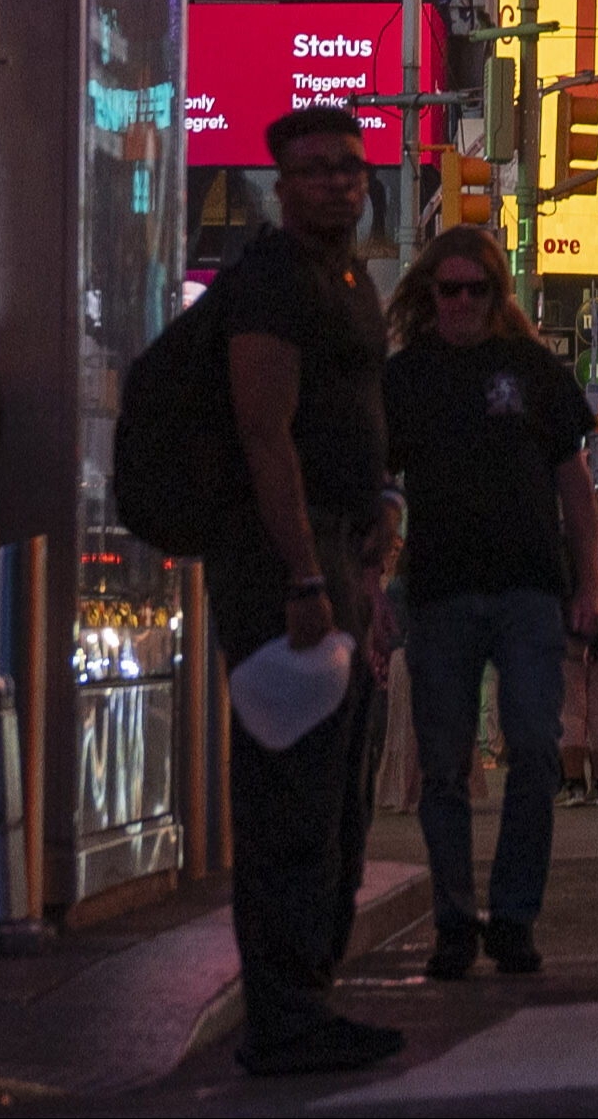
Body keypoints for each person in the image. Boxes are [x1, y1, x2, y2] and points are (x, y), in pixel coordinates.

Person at [202, 101, 403, 1082]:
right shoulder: (272, 280)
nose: (337, 181)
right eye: (316, 169)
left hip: (340, 557)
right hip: (282, 567)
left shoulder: (348, 279)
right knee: (289, 805)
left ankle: (308, 998)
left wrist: (374, 535)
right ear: (280, 186)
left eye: (350, 167)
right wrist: (304, 573)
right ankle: (281, 1016)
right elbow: (262, 431)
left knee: (334, 803)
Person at [381, 227, 598, 981]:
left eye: (477, 288)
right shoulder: (406, 377)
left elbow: (576, 489)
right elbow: (378, 485)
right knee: (443, 765)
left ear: (495, 293)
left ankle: (513, 916)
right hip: (439, 593)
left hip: (527, 591)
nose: (463, 302)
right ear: (430, 292)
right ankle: (453, 922)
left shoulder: (533, 371)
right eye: (450, 289)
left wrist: (591, 585)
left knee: (535, 749)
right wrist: (375, 583)